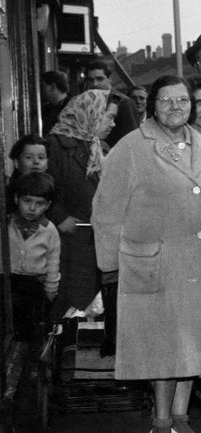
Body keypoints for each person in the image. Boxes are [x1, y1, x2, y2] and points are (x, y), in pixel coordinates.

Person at [92, 75, 201, 433]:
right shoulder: (132, 148)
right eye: (166, 101)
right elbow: (106, 211)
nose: (176, 108)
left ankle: (180, 421)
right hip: (155, 265)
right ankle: (160, 427)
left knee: (191, 344)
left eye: (183, 101)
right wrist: (109, 267)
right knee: (162, 349)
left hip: (199, 263)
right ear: (152, 105)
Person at [45, 91, 119, 317]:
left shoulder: (100, 148)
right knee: (68, 306)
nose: (113, 124)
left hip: (97, 242)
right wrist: (58, 217)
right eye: (109, 116)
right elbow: (40, 187)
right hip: (68, 243)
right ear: (92, 114)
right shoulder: (54, 145)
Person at [7, 172, 60, 342]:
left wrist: (51, 289)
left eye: (39, 203)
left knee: (31, 331)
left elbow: (53, 261)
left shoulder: (49, 230)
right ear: (16, 199)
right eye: (27, 201)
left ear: (48, 205)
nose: (32, 208)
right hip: (7, 283)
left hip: (34, 286)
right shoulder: (6, 224)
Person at [84, 59, 140, 146]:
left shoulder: (124, 103)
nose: (94, 84)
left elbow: (132, 139)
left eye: (99, 79)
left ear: (109, 79)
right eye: (90, 80)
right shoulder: (87, 101)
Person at [6, 133, 49, 213]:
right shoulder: (8, 193)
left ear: (47, 163)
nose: (36, 161)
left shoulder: (53, 187)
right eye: (28, 157)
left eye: (41, 158)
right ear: (17, 163)